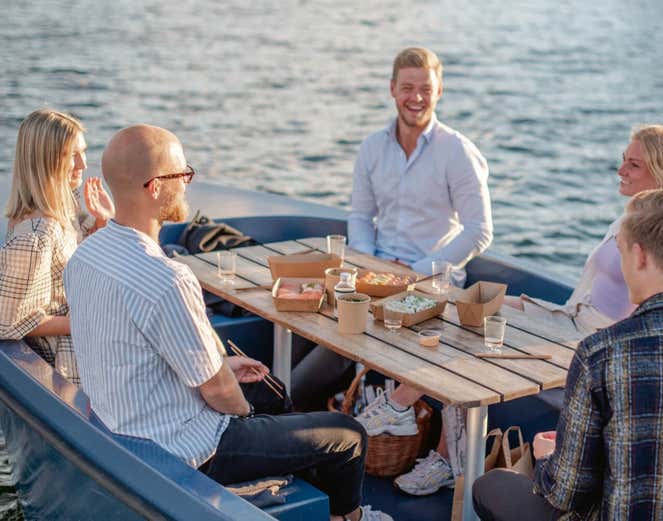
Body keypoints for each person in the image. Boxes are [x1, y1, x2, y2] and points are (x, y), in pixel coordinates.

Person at [64, 125, 391, 521]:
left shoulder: (85, 257)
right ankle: (349, 517)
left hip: (127, 425)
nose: (187, 183)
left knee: (270, 390)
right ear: (154, 188)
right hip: (190, 450)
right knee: (347, 435)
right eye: (182, 174)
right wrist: (241, 408)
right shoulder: (168, 278)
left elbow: (131, 350)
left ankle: (303, 487)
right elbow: (220, 394)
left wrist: (224, 372)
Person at [472, 189, 663, 520]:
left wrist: (547, 457)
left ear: (640, 256)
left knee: (490, 486)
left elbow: (566, 491)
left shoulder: (602, 354)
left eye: (620, 252)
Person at [335, 46, 493, 496]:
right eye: (408, 87)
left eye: (425, 88)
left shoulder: (457, 152)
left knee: (439, 344)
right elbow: (360, 217)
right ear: (392, 90)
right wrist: (370, 263)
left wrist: (419, 271)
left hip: (435, 280)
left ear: (438, 91)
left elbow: (480, 231)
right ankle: (330, 421)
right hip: (377, 275)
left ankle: (439, 454)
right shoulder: (371, 147)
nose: (416, 97)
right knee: (322, 321)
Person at [508, 124, 663, 340]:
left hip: (600, 339)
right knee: (484, 305)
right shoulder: (629, 219)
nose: (621, 170)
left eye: (634, 165)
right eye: (623, 160)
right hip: (572, 319)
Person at [0, 108, 114, 384]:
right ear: (44, 160)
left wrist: (103, 221)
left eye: (83, 151)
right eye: (70, 155)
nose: (82, 164)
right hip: (71, 362)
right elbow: (8, 322)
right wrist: (90, 323)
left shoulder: (64, 211)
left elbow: (70, 264)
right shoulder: (36, 236)